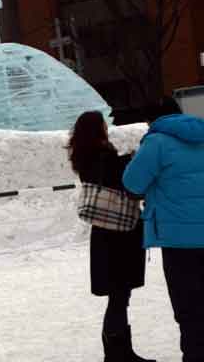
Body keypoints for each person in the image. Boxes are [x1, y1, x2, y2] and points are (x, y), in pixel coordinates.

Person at [68, 110, 154, 362]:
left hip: (105, 233)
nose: (107, 128)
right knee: (119, 295)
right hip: (119, 234)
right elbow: (121, 181)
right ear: (97, 129)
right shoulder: (102, 156)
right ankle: (119, 353)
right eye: (103, 125)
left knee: (119, 295)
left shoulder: (84, 156)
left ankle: (119, 351)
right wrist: (130, 160)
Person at [124, 96, 204, 362]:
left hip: (178, 241)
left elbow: (133, 183)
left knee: (189, 307)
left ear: (154, 120)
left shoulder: (156, 141)